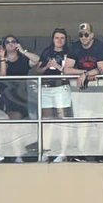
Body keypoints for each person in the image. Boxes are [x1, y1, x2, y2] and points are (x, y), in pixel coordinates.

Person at [36, 28, 75, 162]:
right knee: (47, 121)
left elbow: (71, 71)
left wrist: (58, 67)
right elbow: (38, 71)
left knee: (63, 119)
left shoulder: (70, 52)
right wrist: (47, 66)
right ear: (53, 39)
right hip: (46, 88)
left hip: (62, 87)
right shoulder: (47, 51)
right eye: (57, 37)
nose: (59, 40)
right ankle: (46, 150)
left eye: (62, 38)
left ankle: (63, 152)